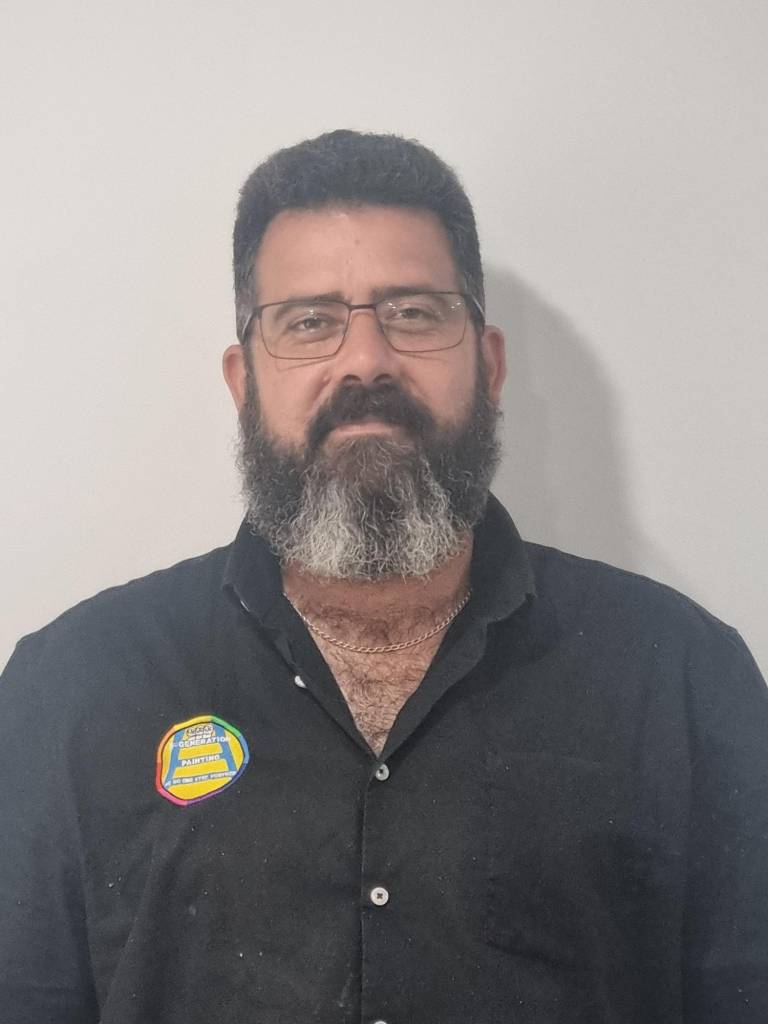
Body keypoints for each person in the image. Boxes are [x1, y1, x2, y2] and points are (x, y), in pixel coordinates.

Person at [1, 130, 766, 1024]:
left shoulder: (682, 679)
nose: (365, 360)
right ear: (244, 382)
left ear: (488, 364)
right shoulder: (72, 688)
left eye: (413, 313)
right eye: (309, 322)